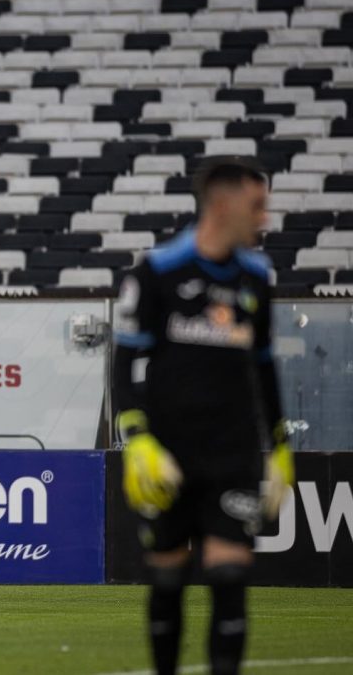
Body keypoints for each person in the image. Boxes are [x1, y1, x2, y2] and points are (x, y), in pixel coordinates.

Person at [112, 156, 295, 675]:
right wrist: (138, 439)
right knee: (167, 580)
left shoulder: (257, 277)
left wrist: (279, 446)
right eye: (256, 206)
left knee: (230, 578)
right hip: (170, 451)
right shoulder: (157, 272)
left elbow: (263, 368)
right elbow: (124, 362)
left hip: (233, 453)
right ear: (221, 203)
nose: (264, 219)